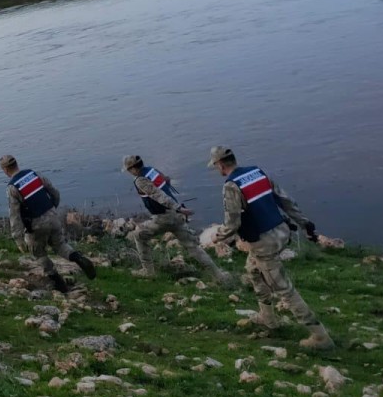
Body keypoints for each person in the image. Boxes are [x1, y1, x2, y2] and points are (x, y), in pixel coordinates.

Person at [207, 145, 333, 350]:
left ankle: (320, 337)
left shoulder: (231, 186)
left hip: (263, 243)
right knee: (253, 270)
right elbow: (286, 201)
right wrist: (305, 224)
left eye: (216, 166)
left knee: (285, 290)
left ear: (220, 165)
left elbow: (232, 223)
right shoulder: (256, 172)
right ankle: (268, 318)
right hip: (281, 232)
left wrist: (217, 236)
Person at [122, 155, 232, 284]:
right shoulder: (152, 170)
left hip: (163, 218)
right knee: (193, 247)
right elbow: (166, 180)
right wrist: (177, 207)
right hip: (176, 216)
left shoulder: (140, 180)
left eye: (129, 170)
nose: (129, 173)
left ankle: (148, 271)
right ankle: (219, 276)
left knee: (139, 236)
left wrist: (178, 207)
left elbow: (158, 195)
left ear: (133, 169)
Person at [0, 154, 96, 293]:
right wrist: (53, 208)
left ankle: (57, 282)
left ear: (5, 170)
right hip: (52, 215)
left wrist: (18, 238)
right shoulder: (34, 174)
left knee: (39, 253)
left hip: (36, 224)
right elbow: (54, 192)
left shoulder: (12, 188)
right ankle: (79, 258)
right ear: (16, 164)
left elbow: (15, 215)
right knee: (60, 245)